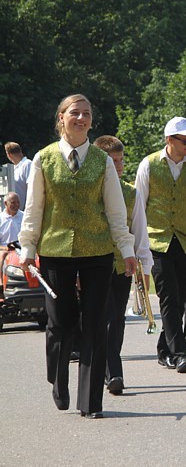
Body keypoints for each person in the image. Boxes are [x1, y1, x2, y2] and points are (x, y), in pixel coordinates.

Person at [19, 94, 136, 418]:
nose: (81, 118)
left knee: (97, 324)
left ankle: (91, 401)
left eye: (86, 114)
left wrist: (126, 250)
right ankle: (58, 378)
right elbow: (34, 209)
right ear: (61, 118)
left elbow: (115, 211)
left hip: (97, 250)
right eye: (75, 113)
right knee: (61, 321)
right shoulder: (44, 159)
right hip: (55, 251)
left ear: (91, 121)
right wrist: (28, 248)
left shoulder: (101, 162)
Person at [135, 116, 186, 373]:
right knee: (168, 296)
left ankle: (163, 349)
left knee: (178, 300)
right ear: (169, 140)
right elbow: (139, 206)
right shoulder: (149, 164)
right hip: (157, 240)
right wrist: (139, 245)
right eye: (185, 140)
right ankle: (179, 353)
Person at [92, 135, 153, 396]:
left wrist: (145, 267)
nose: (118, 166)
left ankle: (110, 369)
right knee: (104, 317)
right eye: (113, 161)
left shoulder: (131, 193)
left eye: (121, 160)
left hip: (122, 264)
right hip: (94, 262)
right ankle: (113, 372)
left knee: (117, 319)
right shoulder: (90, 190)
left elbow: (140, 231)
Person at [4, 142, 33, 210]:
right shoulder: (12, 169)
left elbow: (31, 186)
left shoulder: (27, 164)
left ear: (9, 154)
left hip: (24, 211)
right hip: (12, 212)